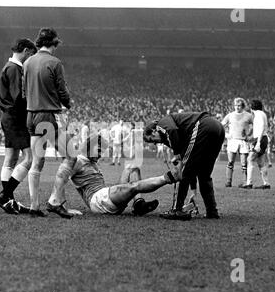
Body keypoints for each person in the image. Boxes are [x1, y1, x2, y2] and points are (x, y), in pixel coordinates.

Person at [48, 134, 182, 216]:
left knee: (132, 167)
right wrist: (63, 206)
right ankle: (170, 177)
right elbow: (61, 179)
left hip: (105, 196)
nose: (100, 154)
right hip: (98, 200)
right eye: (99, 150)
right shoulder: (78, 160)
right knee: (134, 186)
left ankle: (138, 204)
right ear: (89, 146)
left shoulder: (91, 162)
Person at [23, 27, 75, 218]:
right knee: (70, 156)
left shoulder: (28, 62)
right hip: (49, 116)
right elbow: (62, 91)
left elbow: (23, 92)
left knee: (37, 162)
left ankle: (34, 207)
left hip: (31, 115)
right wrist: (68, 104)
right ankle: (55, 201)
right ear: (54, 43)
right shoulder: (55, 62)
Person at [143, 111, 225, 220]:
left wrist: (177, 154)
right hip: (217, 128)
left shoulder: (161, 124)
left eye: (152, 140)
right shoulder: (174, 136)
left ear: (153, 131)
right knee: (204, 174)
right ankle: (212, 212)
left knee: (184, 171)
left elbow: (172, 130)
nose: (155, 143)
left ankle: (177, 209)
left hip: (203, 125)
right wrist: (194, 190)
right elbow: (192, 166)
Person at [0, 38, 37, 214]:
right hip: (16, 118)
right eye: (31, 54)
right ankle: (5, 196)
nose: (30, 59)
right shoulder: (14, 69)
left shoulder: (8, 67)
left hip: (8, 117)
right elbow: (19, 97)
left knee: (10, 158)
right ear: (26, 50)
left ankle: (9, 201)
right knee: (30, 158)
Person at [221, 98, 253, 187]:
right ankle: (228, 181)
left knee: (244, 163)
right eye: (236, 105)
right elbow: (221, 125)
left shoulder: (248, 116)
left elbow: (255, 125)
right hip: (233, 141)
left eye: (239, 105)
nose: (237, 107)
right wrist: (226, 135)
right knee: (230, 162)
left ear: (242, 106)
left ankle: (245, 182)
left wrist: (250, 135)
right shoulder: (230, 115)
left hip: (243, 141)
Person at [241, 99, 271, 189]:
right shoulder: (262, 114)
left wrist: (258, 142)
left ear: (252, 107)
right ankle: (266, 184)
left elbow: (261, 127)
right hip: (262, 138)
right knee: (261, 162)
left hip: (260, 139)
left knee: (250, 159)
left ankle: (249, 183)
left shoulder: (258, 114)